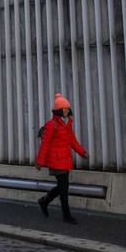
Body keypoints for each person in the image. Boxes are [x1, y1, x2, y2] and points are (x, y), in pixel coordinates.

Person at [35, 93, 88, 224]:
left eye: (67, 108)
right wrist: (40, 162)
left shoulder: (67, 123)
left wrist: (83, 152)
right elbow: (45, 144)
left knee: (62, 186)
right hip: (56, 161)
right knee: (64, 187)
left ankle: (44, 201)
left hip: (65, 160)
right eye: (64, 108)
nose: (66, 110)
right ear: (58, 110)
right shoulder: (51, 125)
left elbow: (72, 141)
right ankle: (66, 215)